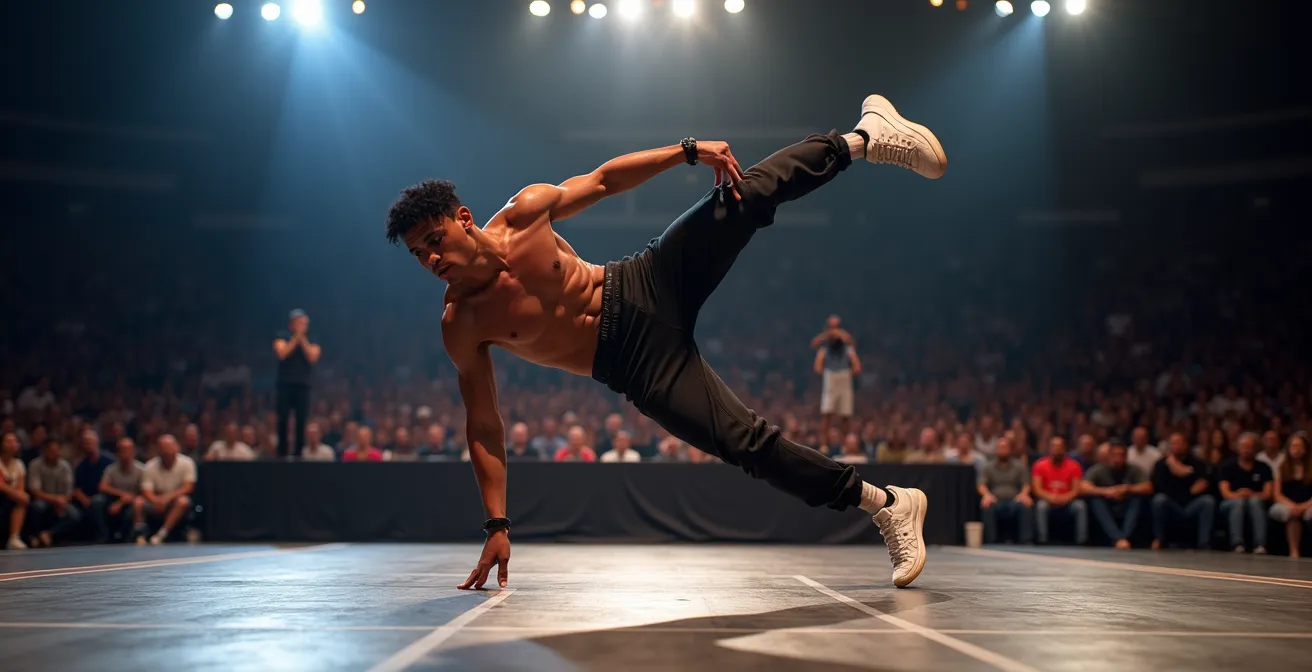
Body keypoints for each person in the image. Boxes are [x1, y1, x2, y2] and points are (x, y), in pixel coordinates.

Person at [384, 94, 945, 590]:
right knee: (745, 444)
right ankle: (889, 504)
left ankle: (866, 137)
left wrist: (686, 150)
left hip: (644, 282)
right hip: (633, 364)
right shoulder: (460, 322)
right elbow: (484, 426)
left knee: (744, 196)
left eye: (435, 240)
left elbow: (605, 180)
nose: (431, 259)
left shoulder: (525, 213)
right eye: (418, 254)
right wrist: (498, 524)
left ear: (464, 220)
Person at [273, 309, 322, 458]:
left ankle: (299, 453)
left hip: (303, 385)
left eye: (305, 323)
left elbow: (312, 357)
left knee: (301, 419)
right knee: (283, 419)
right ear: (292, 324)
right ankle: (282, 453)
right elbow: (282, 353)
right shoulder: (282, 336)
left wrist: (302, 339)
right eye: (300, 323)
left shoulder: (312, 339)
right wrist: (296, 337)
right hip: (285, 384)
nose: (303, 326)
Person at [811, 315, 861, 440]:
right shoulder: (825, 348)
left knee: (846, 414)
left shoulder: (847, 347)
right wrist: (827, 334)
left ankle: (845, 442)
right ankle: (824, 443)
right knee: (827, 412)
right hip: (831, 378)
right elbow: (814, 345)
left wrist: (840, 334)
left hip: (844, 378)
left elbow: (856, 363)